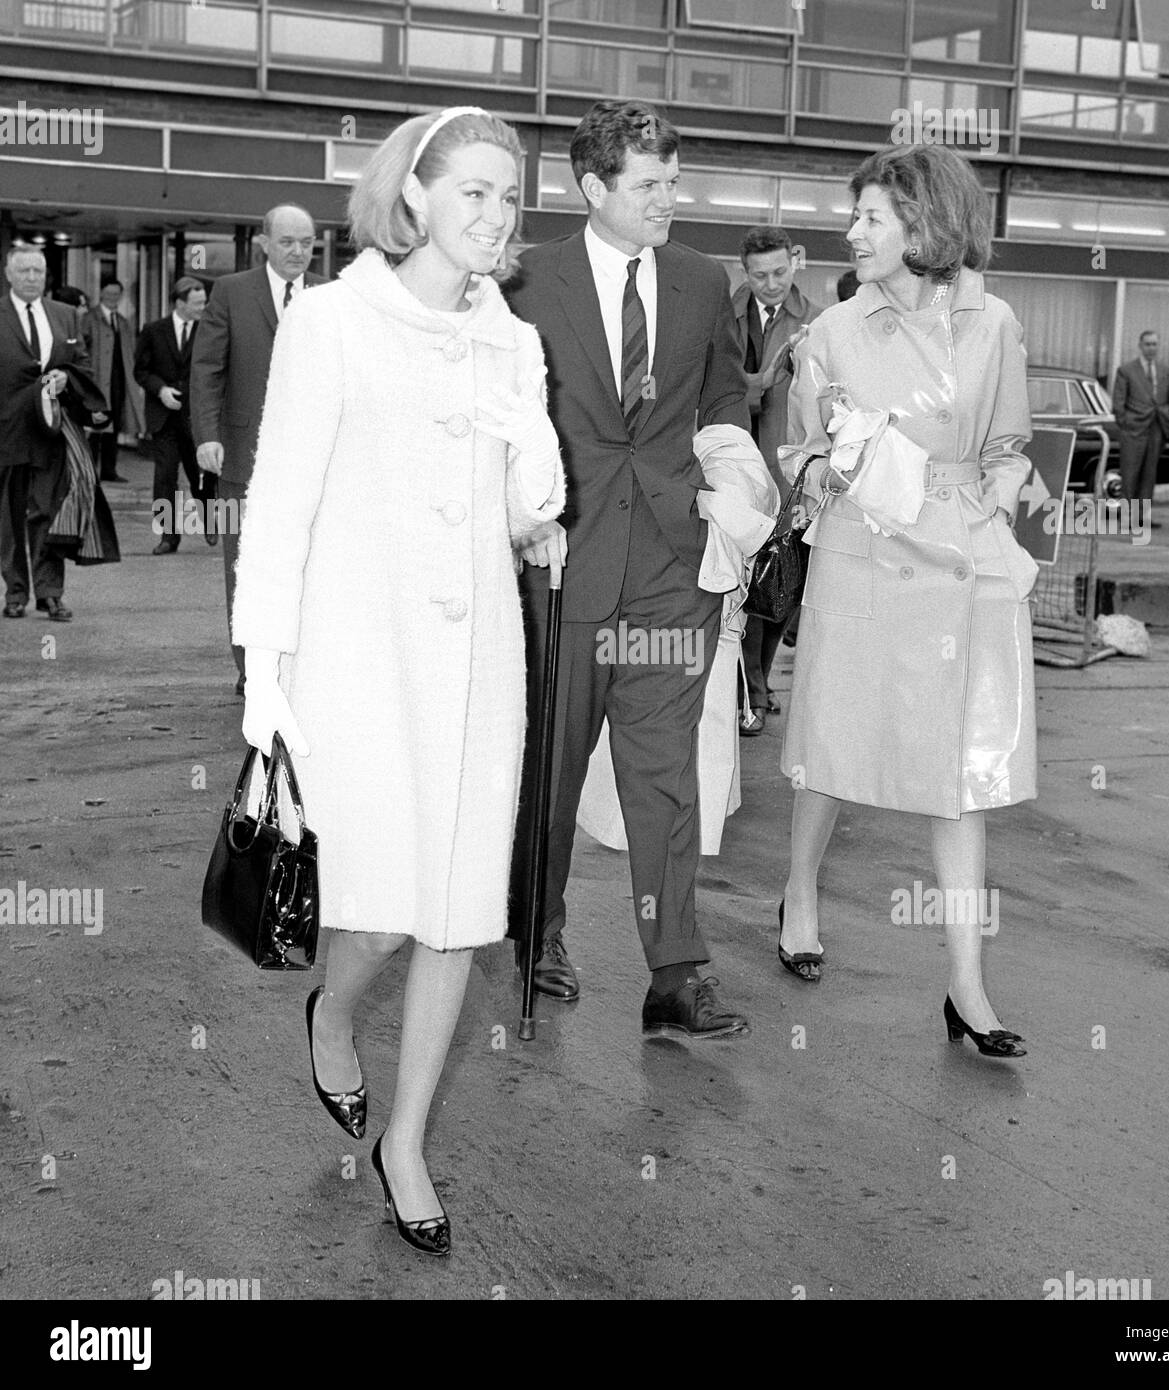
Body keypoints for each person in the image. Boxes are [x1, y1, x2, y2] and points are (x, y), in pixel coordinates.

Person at [232, 107, 564, 1256]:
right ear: (413, 198)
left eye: (508, 196)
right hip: (357, 659)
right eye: (471, 191)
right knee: (373, 915)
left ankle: (407, 1140)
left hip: (479, 669)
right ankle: (331, 1007)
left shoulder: (513, 341)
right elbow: (280, 506)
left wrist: (534, 457)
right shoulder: (332, 323)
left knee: (458, 917)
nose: (494, 215)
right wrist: (262, 670)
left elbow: (528, 519)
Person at [506, 100, 763, 1039]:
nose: (669, 198)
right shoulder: (528, 278)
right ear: (594, 188)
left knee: (665, 777)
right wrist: (519, 516)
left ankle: (674, 972)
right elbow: (496, 409)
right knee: (550, 767)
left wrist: (729, 482)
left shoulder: (701, 281)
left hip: (668, 567)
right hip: (560, 569)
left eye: (673, 178)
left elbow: (725, 393)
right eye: (649, 183)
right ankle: (533, 933)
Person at [776, 144, 1034, 1062]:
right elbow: (797, 456)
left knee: (962, 772)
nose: (853, 232)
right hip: (864, 552)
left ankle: (967, 983)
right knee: (833, 745)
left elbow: (1008, 444)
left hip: (958, 557)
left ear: (925, 225)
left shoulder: (994, 322)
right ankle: (800, 893)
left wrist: (990, 508)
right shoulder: (831, 333)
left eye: (872, 218)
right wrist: (834, 462)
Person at [190, 204, 326, 692]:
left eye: (307, 243)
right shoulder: (231, 291)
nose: (298, 252)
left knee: (310, 567)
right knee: (244, 566)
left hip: (314, 462)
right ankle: (253, 673)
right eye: (287, 241)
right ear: (264, 243)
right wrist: (207, 435)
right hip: (241, 457)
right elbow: (207, 369)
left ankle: (299, 669)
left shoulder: (329, 295)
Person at [731, 225, 822, 736]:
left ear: (795, 262)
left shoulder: (815, 322)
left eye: (780, 272)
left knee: (780, 587)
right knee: (744, 588)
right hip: (737, 467)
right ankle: (754, 692)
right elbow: (715, 379)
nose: (771, 284)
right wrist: (760, 381)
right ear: (745, 272)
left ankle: (758, 683)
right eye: (761, 274)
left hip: (789, 477)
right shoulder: (724, 316)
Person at [1, 244, 92, 622]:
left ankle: (50, 592)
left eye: (38, 271)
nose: (32, 278)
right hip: (5, 432)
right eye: (24, 271)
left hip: (50, 432)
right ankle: (15, 591)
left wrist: (66, 377)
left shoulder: (66, 315)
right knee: (7, 516)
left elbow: (81, 364)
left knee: (49, 512)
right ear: (8, 274)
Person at [134, 277, 216, 554]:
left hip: (197, 418)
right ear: (180, 303)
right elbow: (141, 371)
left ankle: (209, 521)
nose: (202, 307)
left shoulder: (210, 330)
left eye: (204, 302)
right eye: (197, 303)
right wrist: (161, 391)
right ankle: (168, 537)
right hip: (164, 417)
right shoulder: (153, 330)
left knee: (201, 477)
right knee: (165, 477)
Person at [83, 279, 145, 483]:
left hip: (119, 383)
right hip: (97, 383)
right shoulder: (89, 318)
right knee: (94, 428)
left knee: (114, 426)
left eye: (116, 295)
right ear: (101, 294)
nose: (112, 298)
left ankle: (109, 470)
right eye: (109, 294)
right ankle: (89, 471)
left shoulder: (124, 322)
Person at [1112, 330, 1169, 527]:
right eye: (1148, 344)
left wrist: (1166, 419)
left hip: (1156, 428)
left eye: (1155, 344)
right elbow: (1118, 403)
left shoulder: (1164, 370)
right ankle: (1127, 516)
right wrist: (1126, 422)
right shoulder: (1126, 370)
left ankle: (1142, 517)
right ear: (1140, 345)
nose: (1151, 348)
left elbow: (1168, 399)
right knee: (1130, 473)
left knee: (1149, 475)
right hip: (1133, 430)